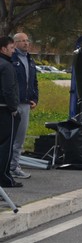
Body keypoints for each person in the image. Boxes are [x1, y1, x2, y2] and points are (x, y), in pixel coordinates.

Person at [10, 32, 38, 179]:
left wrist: (35, 98)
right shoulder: (11, 59)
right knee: (10, 137)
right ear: (15, 43)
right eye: (23, 41)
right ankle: (9, 167)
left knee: (20, 138)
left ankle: (14, 166)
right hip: (12, 104)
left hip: (25, 104)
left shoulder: (30, 59)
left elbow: (34, 81)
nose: (26, 43)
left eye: (27, 40)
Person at [0, 36, 22, 188]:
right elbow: (9, 89)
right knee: (5, 146)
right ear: (3, 49)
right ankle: (5, 178)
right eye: (12, 48)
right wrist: (14, 108)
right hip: (5, 110)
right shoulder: (6, 66)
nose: (14, 51)